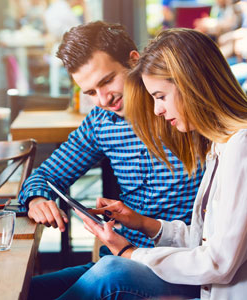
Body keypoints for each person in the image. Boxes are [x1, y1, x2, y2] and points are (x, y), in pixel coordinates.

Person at [57, 28, 247, 300]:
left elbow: (217, 261)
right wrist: (143, 223)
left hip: (198, 281)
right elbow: (204, 238)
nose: (157, 109)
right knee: (40, 288)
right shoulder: (221, 145)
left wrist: (130, 253)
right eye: (90, 92)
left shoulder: (239, 147)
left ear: (191, 84)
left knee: (110, 274)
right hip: (176, 267)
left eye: (160, 96)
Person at [19, 21, 204, 299]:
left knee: (109, 277)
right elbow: (45, 175)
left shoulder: (184, 114)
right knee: (24, 292)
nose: (104, 99)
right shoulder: (102, 122)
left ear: (134, 60)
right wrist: (36, 199)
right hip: (122, 256)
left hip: (182, 265)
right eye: (91, 92)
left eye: (107, 81)